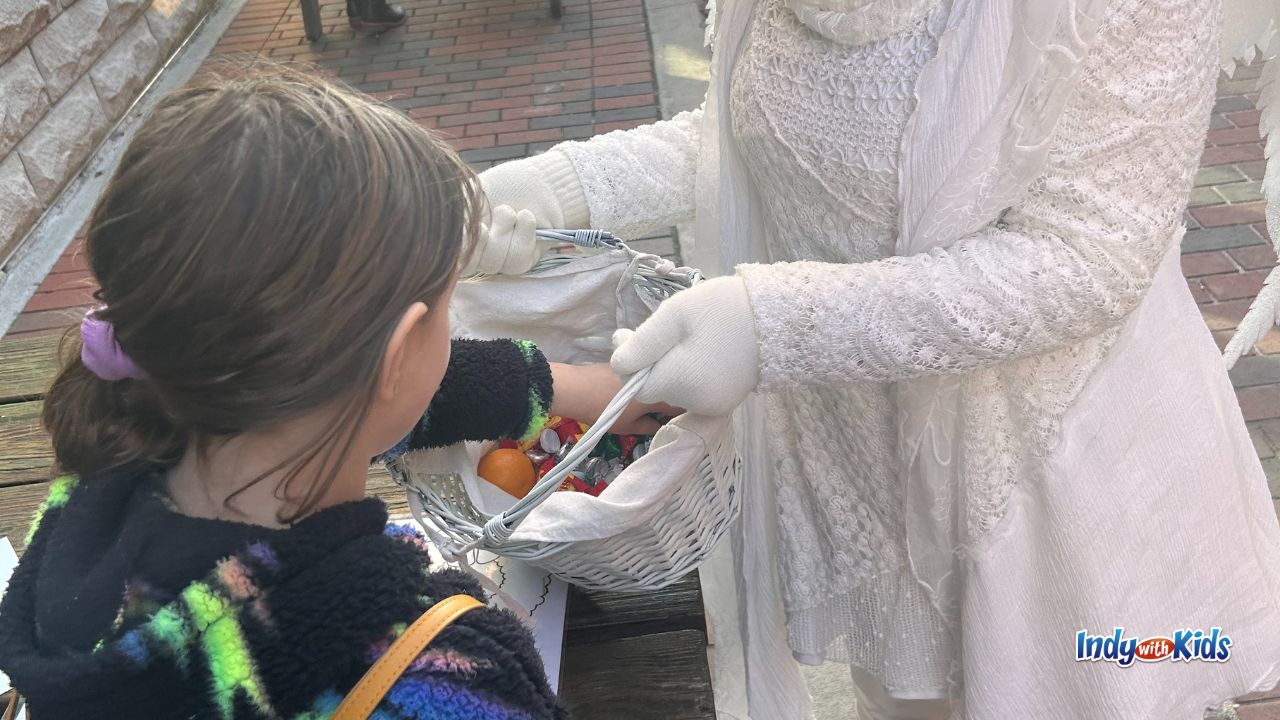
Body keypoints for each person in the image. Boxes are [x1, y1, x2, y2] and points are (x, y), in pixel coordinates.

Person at [474, 0, 1280, 717]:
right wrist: (569, 187)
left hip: (1052, 488)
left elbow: (1084, 255)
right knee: (904, 696)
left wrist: (774, 324)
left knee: (1109, 677)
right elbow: (769, 133)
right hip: (859, 467)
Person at [0, 64, 667, 719]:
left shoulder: (83, 523)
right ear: (401, 351)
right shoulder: (451, 674)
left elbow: (376, 393)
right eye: (445, 304)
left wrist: (574, 386)